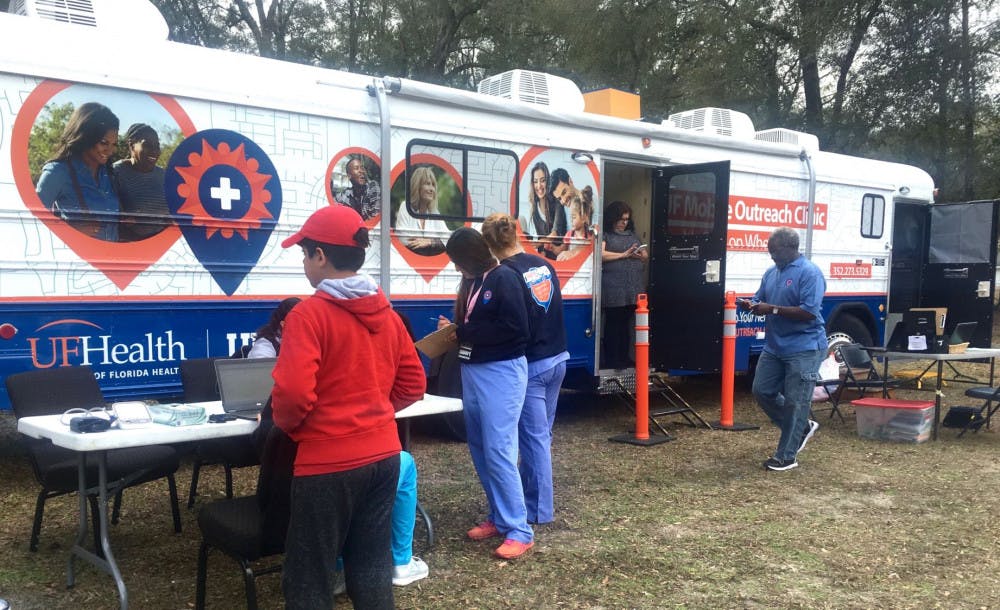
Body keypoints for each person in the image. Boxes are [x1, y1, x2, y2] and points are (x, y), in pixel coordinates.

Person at [272, 204, 426, 608]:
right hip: (384, 456)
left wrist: (297, 429)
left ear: (320, 255)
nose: (304, 262)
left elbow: (290, 396)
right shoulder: (387, 314)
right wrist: (374, 413)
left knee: (309, 575)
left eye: (304, 253)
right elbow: (413, 384)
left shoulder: (308, 316)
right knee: (371, 564)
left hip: (326, 463)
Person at [440, 227, 533, 559]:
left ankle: (519, 529)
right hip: (473, 369)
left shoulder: (504, 278)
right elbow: (476, 325)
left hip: (501, 372)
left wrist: (464, 332)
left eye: (456, 261)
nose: (454, 268)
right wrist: (455, 332)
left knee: (499, 449)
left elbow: (516, 328)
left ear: (470, 256)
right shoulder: (472, 282)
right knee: (480, 448)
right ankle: (498, 516)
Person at [481, 213, 568, 526]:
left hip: (531, 365)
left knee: (533, 441)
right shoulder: (542, 264)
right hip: (558, 357)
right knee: (541, 436)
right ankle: (534, 501)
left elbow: (511, 325)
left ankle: (538, 510)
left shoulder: (504, 275)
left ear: (489, 245)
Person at [739, 227, 826, 472]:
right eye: (769, 250)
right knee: (761, 390)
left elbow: (809, 311)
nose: (771, 255)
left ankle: (787, 456)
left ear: (790, 248)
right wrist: (751, 305)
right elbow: (760, 299)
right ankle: (802, 427)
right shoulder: (771, 273)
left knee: (796, 402)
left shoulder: (809, 273)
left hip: (805, 346)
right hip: (775, 346)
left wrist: (772, 309)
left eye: (774, 251)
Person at [34, 102, 121, 241]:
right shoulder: (58, 172)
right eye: (104, 143)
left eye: (114, 144)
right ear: (86, 137)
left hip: (110, 258)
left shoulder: (109, 173)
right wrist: (69, 231)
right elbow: (29, 220)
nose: (110, 150)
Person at [600, 200, 648, 369]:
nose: (624, 223)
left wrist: (640, 255)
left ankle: (624, 357)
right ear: (612, 218)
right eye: (621, 219)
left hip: (632, 287)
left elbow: (644, 254)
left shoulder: (632, 235)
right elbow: (601, 255)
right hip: (613, 287)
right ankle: (612, 359)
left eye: (626, 219)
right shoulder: (606, 235)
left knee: (627, 323)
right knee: (614, 323)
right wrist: (623, 255)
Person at [113, 123, 169, 241]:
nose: (154, 151)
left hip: (164, 245)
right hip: (131, 246)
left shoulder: (164, 176)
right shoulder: (116, 173)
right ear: (131, 145)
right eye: (147, 145)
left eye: (157, 146)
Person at [394, 166, 450, 254]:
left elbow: (449, 239)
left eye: (433, 185)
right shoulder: (405, 206)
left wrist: (431, 242)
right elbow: (403, 239)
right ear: (417, 186)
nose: (432, 189)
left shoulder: (434, 213)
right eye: (428, 184)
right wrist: (436, 241)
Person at [521, 162, 566, 260]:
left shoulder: (557, 201)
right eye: (535, 181)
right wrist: (541, 252)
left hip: (560, 255)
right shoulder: (534, 207)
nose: (539, 186)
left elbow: (555, 233)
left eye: (542, 180)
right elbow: (541, 236)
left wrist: (537, 243)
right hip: (546, 255)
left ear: (548, 181)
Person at [334, 155, 381, 220]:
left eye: (362, 168)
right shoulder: (345, 195)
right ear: (349, 176)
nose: (361, 171)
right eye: (356, 168)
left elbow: (375, 217)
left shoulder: (373, 187)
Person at [556, 193, 592, 262]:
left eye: (574, 217)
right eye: (570, 217)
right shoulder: (569, 234)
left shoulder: (589, 237)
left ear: (583, 218)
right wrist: (553, 248)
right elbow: (562, 249)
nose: (571, 220)